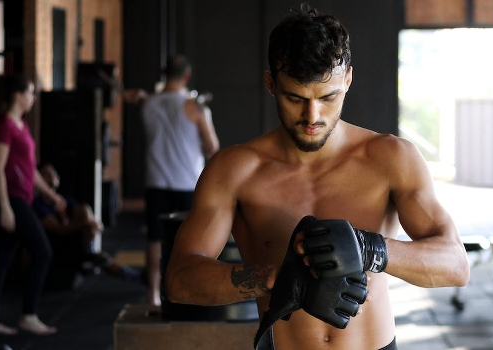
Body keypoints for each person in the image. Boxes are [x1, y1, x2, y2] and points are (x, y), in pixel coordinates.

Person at [165, 5, 469, 350]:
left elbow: (456, 264)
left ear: (348, 81)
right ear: (271, 84)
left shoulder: (392, 158)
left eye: (328, 97)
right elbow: (179, 280)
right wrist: (276, 280)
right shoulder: (234, 171)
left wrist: (369, 250)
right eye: (295, 98)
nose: (313, 116)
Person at [141, 54, 220, 306]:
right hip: (188, 182)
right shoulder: (195, 108)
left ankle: (153, 293)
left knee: (155, 238)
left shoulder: (148, 104)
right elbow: (212, 147)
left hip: (156, 181)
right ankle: (188, 292)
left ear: (165, 74)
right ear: (187, 76)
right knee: (190, 240)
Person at [0, 74, 63, 336]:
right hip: (12, 201)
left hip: (23, 198)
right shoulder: (5, 127)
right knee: (43, 252)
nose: (33, 97)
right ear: (18, 95)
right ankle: (28, 314)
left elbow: (29, 172)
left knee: (1, 260)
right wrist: (5, 206)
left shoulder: (21, 126)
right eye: (30, 92)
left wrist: (51, 195)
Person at [32, 163, 140, 283]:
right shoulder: (39, 204)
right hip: (57, 246)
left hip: (78, 242)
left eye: (54, 172)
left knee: (84, 209)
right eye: (48, 174)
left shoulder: (64, 200)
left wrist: (92, 224)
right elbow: (58, 229)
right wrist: (87, 223)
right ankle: (91, 255)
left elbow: (87, 217)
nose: (53, 175)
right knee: (100, 258)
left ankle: (92, 252)